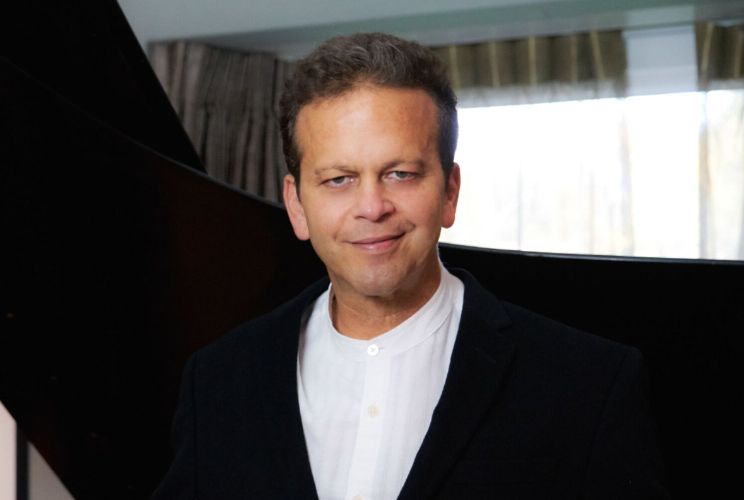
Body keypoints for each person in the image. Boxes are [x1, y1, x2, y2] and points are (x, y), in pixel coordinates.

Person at [153, 33, 668, 499]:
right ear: (296, 205)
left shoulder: (588, 382)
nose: (372, 207)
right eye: (338, 179)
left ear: (449, 192)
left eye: (400, 173)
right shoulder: (217, 380)